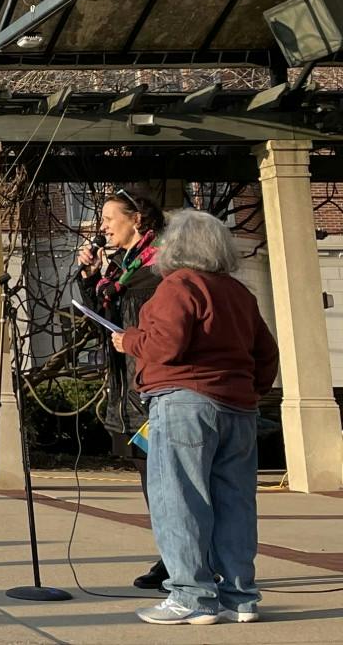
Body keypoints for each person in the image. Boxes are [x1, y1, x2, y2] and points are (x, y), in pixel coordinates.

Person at [111, 209, 278, 627]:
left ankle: (191, 596)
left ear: (176, 247)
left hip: (184, 400)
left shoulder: (178, 285)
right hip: (238, 406)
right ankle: (239, 596)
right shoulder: (239, 293)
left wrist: (129, 340)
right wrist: (249, 389)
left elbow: (165, 345)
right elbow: (266, 354)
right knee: (235, 503)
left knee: (180, 500)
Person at [75, 186, 169, 591]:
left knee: (166, 479)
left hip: (152, 388)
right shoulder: (121, 270)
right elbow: (104, 322)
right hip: (127, 390)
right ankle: (172, 554)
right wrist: (90, 278)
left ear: (137, 220)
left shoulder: (160, 269)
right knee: (151, 479)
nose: (103, 228)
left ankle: (184, 559)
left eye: (110, 219)